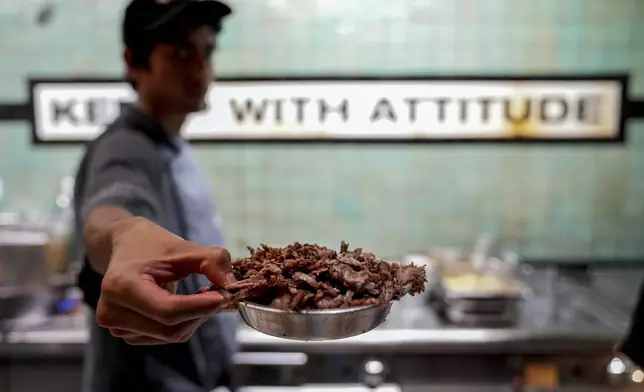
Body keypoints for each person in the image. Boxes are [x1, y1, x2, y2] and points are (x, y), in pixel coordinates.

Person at [72, 1, 238, 391]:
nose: (199, 66)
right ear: (134, 62)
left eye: (207, 49)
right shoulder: (125, 147)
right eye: (180, 52)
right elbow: (113, 203)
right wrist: (125, 236)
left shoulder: (173, 146)